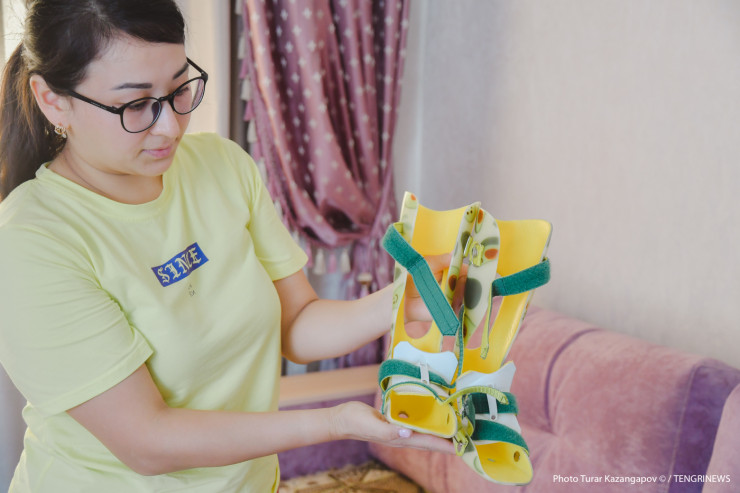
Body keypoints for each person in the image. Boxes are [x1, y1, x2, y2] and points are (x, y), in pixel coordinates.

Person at [0, 1, 454, 491]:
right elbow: (147, 442)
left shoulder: (221, 167)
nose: (170, 127)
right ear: (52, 100)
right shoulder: (31, 241)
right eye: (135, 105)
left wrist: (401, 301)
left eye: (179, 89)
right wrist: (334, 422)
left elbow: (297, 324)